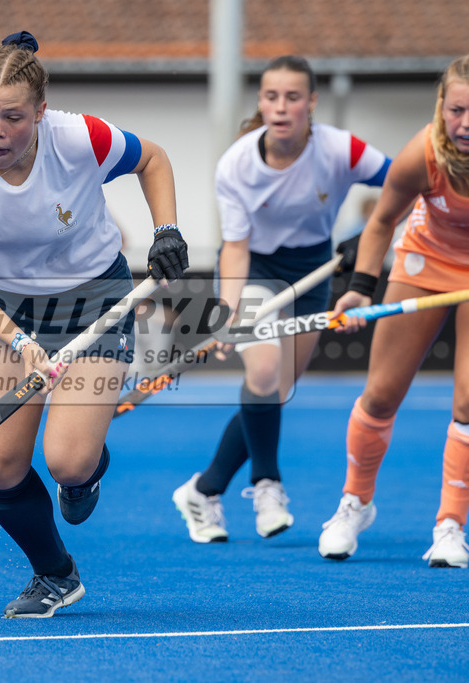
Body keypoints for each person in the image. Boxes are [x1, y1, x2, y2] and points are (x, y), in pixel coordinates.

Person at [0, 31, 187, 618]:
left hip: (95, 300)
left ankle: (89, 467)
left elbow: (153, 158)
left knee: (67, 462)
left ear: (40, 114)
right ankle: (55, 575)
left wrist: (167, 231)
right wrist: (18, 340)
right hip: (7, 309)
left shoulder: (80, 138)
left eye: (13, 117)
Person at [171, 55, 391, 544]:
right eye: (272, 96)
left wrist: (369, 234)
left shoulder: (341, 150)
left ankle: (204, 490)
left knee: (275, 392)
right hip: (258, 271)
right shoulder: (237, 165)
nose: (282, 106)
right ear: (261, 102)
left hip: (316, 272)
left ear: (311, 103)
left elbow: (403, 183)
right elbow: (235, 247)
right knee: (264, 373)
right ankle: (267, 484)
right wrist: (227, 310)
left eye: (293, 97)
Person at [318, 55, 469, 567]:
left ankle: (450, 526)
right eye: (457, 110)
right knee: (381, 394)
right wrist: (360, 289)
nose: (465, 123)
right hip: (425, 262)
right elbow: (382, 221)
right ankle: (355, 503)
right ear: (442, 107)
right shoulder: (422, 153)